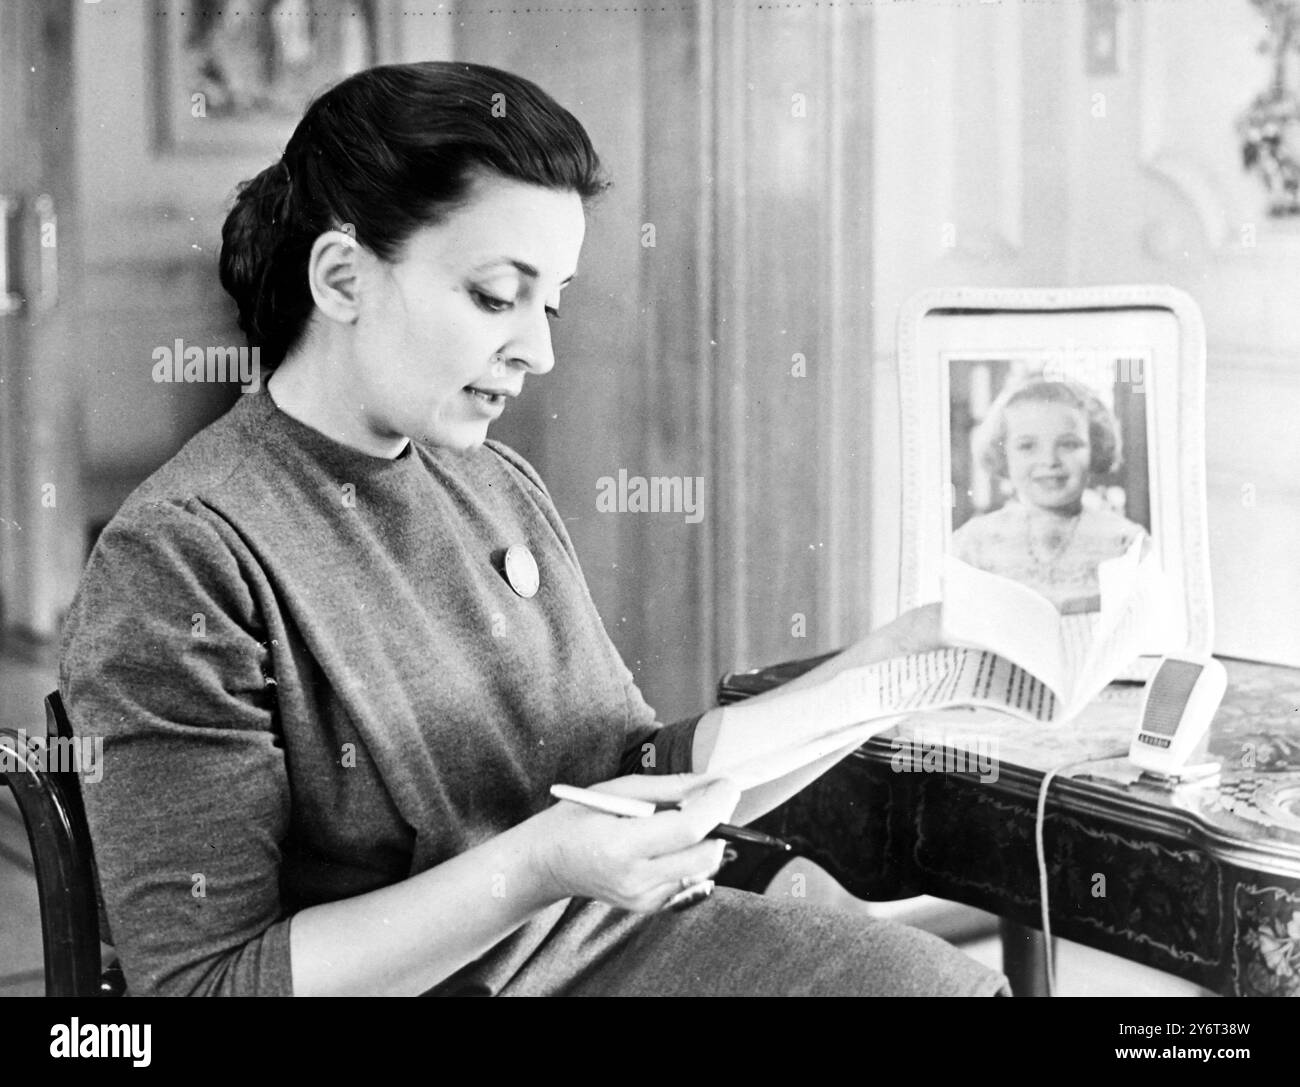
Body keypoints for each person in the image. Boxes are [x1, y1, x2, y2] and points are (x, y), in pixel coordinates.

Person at [58, 61, 1008, 997]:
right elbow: (207, 985)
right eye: (494, 296)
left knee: (936, 985)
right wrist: (542, 866)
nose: (540, 350)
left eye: (549, 300)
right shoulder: (181, 558)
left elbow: (629, 772)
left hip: (616, 941)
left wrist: (897, 666)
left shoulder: (493, 479)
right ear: (342, 277)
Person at [950, 376, 1147, 613]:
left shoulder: (1125, 542)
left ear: (1095, 448)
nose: (1049, 461)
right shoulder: (974, 543)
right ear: (1003, 453)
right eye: (1027, 446)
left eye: (1068, 444)